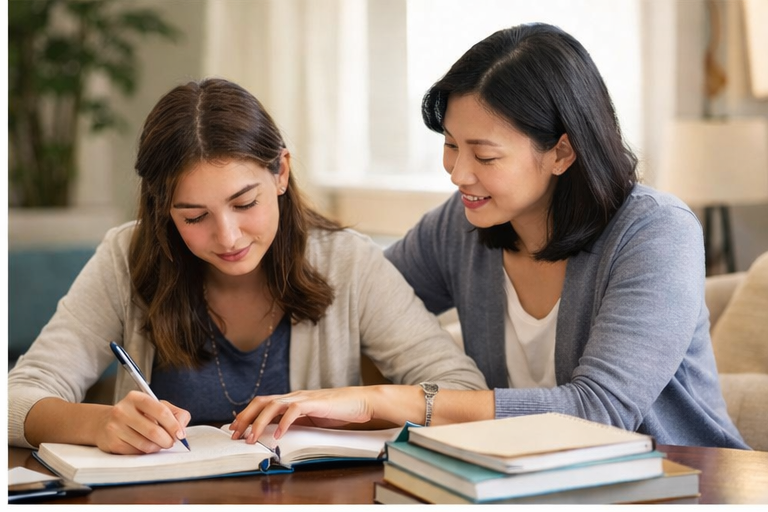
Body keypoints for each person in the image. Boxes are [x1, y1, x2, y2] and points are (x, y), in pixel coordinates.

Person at [232, 23, 749, 449]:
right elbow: (356, 302)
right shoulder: (458, 226)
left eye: (484, 155)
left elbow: (600, 411)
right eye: (451, 145)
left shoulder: (656, 233)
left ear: (562, 153)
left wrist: (389, 401)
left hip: (679, 483)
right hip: (514, 486)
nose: (457, 173)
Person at [7, 78, 488, 454]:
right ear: (162, 208)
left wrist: (360, 404)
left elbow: (463, 393)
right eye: (194, 216)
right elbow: (15, 399)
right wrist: (99, 423)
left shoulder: (348, 262)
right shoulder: (125, 257)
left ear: (280, 172)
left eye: (244, 203)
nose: (228, 237)